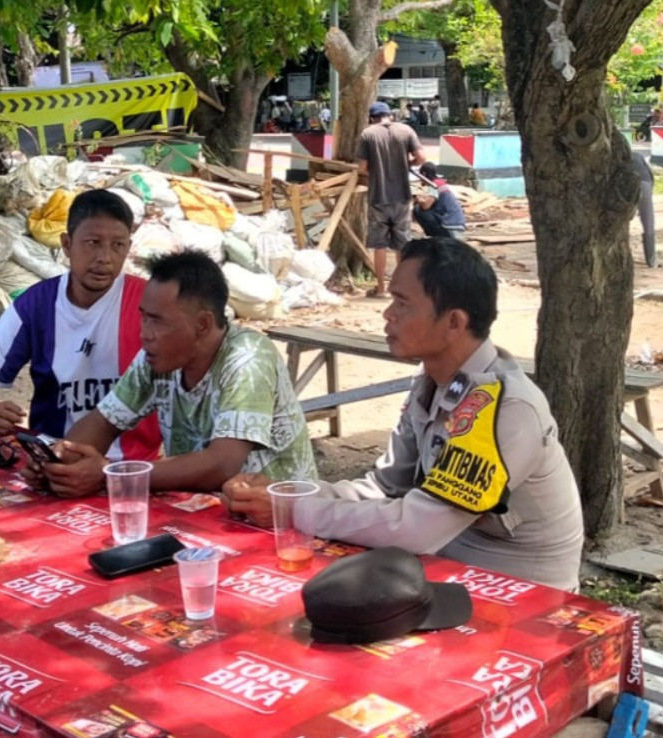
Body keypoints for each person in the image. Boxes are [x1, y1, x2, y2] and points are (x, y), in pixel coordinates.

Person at [223, 238, 585, 592]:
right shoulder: (432, 380)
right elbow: (384, 488)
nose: (387, 314)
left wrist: (294, 512)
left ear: (454, 322)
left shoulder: (506, 407)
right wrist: (287, 494)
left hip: (520, 590)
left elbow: (417, 527)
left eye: (402, 302)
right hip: (445, 566)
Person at [37, 250, 317, 497]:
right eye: (144, 316)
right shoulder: (156, 357)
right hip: (207, 509)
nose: (144, 333)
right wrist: (62, 462)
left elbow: (223, 464)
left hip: (280, 521)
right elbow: (103, 421)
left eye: (157, 320)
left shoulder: (248, 357)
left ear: (203, 324)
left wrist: (110, 474)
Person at [0, 189, 161, 462]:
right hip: (53, 461)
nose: (105, 257)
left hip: (131, 468)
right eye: (93, 242)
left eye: (118, 245)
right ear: (66, 244)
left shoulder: (152, 305)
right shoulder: (33, 306)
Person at [358, 101, 425, 299]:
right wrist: (406, 164)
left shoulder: (368, 134)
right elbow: (421, 158)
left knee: (379, 245)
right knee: (402, 244)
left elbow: (362, 167)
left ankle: (380, 289)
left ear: (371, 118)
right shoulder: (406, 130)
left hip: (378, 197)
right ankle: (402, 290)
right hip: (402, 197)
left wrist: (374, 171)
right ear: (391, 115)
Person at [412, 162, 466, 239]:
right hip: (455, 223)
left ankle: (434, 237)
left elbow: (426, 206)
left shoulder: (434, 185)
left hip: (450, 225)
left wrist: (418, 199)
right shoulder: (440, 183)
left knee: (418, 209)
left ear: (423, 174)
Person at [630, 148, 657, 268]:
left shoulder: (617, 158)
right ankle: (651, 261)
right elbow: (650, 176)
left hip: (629, 184)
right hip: (645, 183)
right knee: (648, 224)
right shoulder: (638, 156)